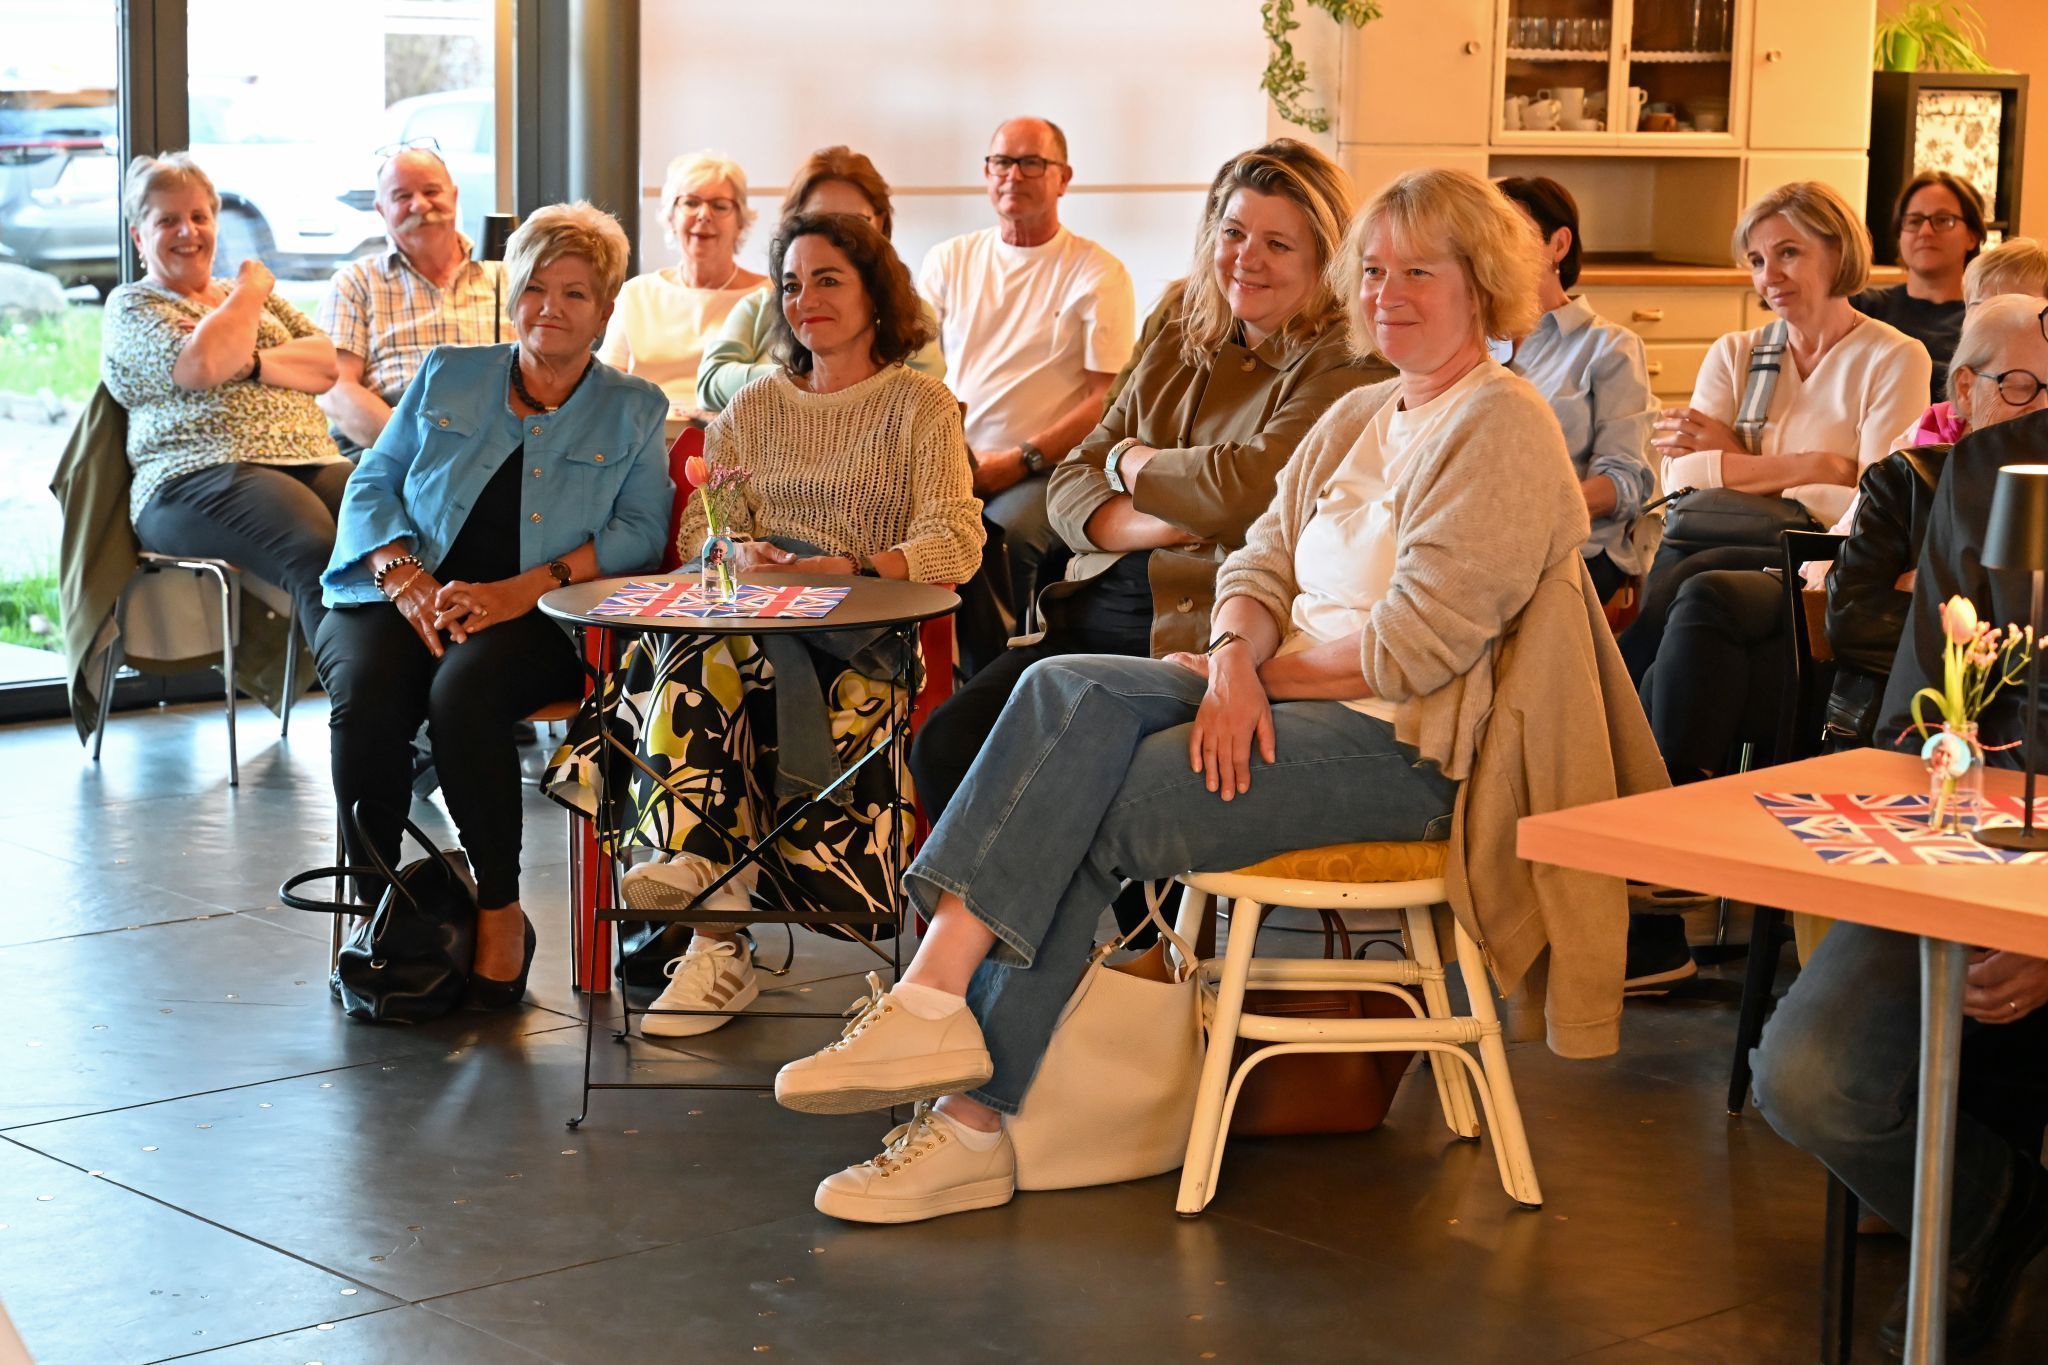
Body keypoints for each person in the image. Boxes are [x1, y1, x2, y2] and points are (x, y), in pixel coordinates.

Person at [773, 168, 1617, 1225]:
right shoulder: (1366, 410)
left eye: (1418, 272)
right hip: (1282, 695)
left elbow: (1413, 648)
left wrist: (1246, 678)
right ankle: (934, 1002)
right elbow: (1255, 562)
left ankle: (966, 1117)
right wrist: (1227, 660)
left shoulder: (1498, 424)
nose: (1388, 291)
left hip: (1401, 752)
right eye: (1373, 271)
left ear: (1481, 284)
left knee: (1091, 800)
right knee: (1061, 685)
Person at [547, 212, 982, 1037]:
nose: (805, 299)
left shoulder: (919, 404)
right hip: (748, 624)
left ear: (874, 293)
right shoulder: (754, 405)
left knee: (691, 659)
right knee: (699, 646)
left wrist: (848, 566)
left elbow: (955, 537)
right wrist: (737, 548)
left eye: (828, 280)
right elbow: (697, 535)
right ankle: (713, 918)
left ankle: (705, 902)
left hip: (861, 643)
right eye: (790, 283)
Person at [908, 139, 1384, 827]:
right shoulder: (1183, 320)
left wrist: (1129, 462)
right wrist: (1160, 518)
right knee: (946, 747)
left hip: (1200, 629)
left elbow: (1243, 490)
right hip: (1090, 607)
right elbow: (1073, 480)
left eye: (1278, 244)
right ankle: (1047, 934)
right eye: (1233, 233)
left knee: (1070, 778)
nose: (1246, 258)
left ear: (1325, 257)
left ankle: (1100, 931)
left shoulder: (1348, 358)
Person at [316, 202, 672, 1007]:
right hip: (402, 589)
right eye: (536, 288)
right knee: (368, 695)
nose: (551, 307)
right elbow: (374, 479)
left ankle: (499, 907)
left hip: (541, 615)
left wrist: (522, 590)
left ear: (606, 311)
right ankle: (383, 905)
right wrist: (400, 571)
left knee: (463, 693)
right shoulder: (450, 371)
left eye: (575, 294)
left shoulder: (635, 407)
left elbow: (641, 532)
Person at [1622, 181, 1931, 680]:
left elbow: (1876, 502)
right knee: (1685, 565)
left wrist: (1735, 459)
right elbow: (1682, 478)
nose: (1770, 276)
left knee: (1690, 580)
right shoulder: (1735, 353)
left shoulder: (1894, 357)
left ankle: (1622, 724)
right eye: (1757, 260)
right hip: (1714, 535)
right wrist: (1820, 467)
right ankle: (1650, 740)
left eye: (1789, 253)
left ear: (1838, 252)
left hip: (1819, 553)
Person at [100, 152, 348, 641]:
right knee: (320, 552)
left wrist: (250, 362)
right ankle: (364, 712)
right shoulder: (136, 304)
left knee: (403, 535)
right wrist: (249, 293)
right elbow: (202, 366)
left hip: (311, 458)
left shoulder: (241, 300)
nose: (188, 232)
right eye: (168, 220)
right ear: (139, 237)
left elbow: (324, 364)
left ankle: (433, 702)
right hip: (198, 474)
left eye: (199, 217)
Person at [918, 117, 1136, 618]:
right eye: (1002, 162)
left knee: (998, 536)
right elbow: (915, 370)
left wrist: (1019, 460)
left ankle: (1003, 677)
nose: (1013, 175)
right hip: (953, 460)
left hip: (1046, 469)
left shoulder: (1097, 272)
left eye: (1032, 163)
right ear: (986, 172)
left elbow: (1106, 400)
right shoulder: (949, 260)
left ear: (1064, 177)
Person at [1497, 176, 1657, 604]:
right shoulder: (1466, 342)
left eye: (1509, 233)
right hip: (1480, 543)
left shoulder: (1608, 347)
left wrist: (1524, 516)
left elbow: (1625, 483)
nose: (1491, 250)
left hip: (1575, 552)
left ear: (1559, 245)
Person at [695, 146, 943, 412]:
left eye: (854, 222)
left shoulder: (910, 315)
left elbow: (922, 395)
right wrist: (805, 379)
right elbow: (711, 381)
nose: (831, 238)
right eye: (818, 220)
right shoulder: (760, 305)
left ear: (881, 224)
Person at [317, 146, 508, 456]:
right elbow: (336, 388)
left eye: (431, 191)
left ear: (454, 196)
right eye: (402, 197)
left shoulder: (505, 276)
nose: (420, 205)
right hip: (391, 447)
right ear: (381, 210)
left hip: (496, 444)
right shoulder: (356, 282)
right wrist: (412, 445)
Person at [598, 151, 768, 413]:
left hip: (735, 442)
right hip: (643, 439)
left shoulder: (768, 297)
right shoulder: (637, 294)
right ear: (670, 217)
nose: (704, 215)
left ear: (741, 222)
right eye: (690, 203)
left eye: (720, 205)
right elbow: (604, 386)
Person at [1852, 171, 1986, 403]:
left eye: (1943, 220)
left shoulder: (1986, 319)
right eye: (1914, 221)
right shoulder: (1860, 308)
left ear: (1972, 237)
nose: (1925, 232)